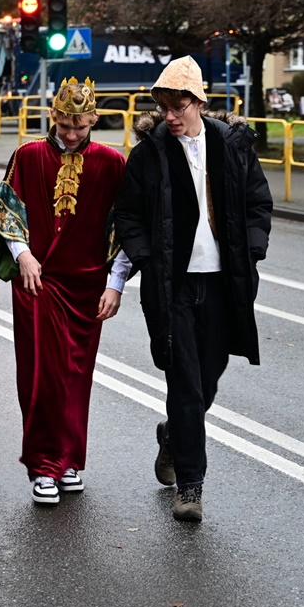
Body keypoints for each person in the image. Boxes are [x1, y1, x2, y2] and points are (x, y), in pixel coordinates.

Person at [114, 56, 273, 523]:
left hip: (223, 283)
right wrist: (146, 259)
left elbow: (258, 203)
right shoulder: (149, 154)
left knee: (207, 379)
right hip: (173, 287)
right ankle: (190, 486)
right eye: (163, 107)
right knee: (184, 383)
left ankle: (173, 435)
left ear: (199, 102)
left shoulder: (232, 146)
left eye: (177, 106)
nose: (169, 116)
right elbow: (128, 215)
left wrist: (252, 250)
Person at [0, 78, 130, 505]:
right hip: (39, 281)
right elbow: (6, 211)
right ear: (53, 116)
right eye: (64, 125)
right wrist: (23, 254)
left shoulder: (111, 162)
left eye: (79, 127)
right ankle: (43, 466)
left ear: (94, 120)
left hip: (88, 287)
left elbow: (126, 227)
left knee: (75, 377)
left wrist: (115, 284)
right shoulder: (28, 155)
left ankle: (67, 460)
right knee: (42, 375)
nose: (70, 134)